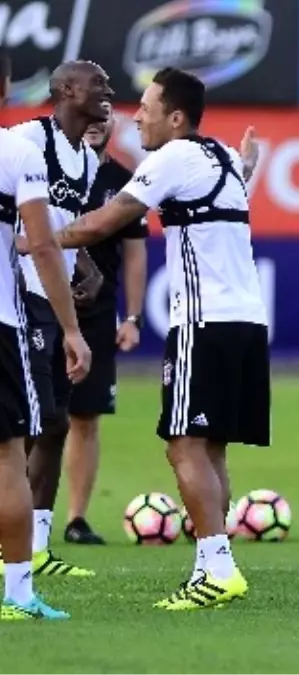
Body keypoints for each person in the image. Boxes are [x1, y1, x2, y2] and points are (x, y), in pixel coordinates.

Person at [50, 67, 269, 610]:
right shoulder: (220, 155)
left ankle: (218, 568)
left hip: (204, 322)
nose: (136, 118)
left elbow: (106, 221)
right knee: (210, 445)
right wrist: (247, 165)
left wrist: (36, 239)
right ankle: (212, 567)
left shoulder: (172, 157)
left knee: (182, 444)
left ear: (175, 117)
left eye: (146, 108)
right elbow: (226, 195)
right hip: (246, 320)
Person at [3, 60, 111, 578]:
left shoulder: (86, 160)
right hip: (23, 296)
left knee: (54, 423)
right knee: (27, 424)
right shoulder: (28, 141)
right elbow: (28, 228)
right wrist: (33, 249)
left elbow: (64, 229)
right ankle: (15, 546)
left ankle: (38, 546)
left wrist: (87, 268)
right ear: (67, 90)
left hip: (56, 299)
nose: (108, 91)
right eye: (98, 84)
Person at [62, 116, 148, 546]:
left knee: (86, 416)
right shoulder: (46, 168)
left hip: (96, 315)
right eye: (90, 112)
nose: (96, 122)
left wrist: (132, 317)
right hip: (40, 309)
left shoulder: (123, 180)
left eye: (105, 113)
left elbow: (134, 254)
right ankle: (22, 515)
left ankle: (76, 518)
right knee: (29, 419)